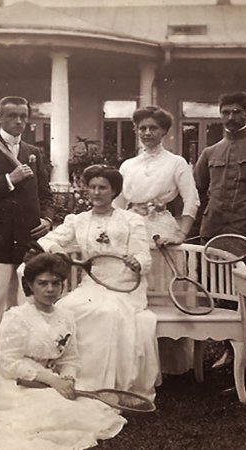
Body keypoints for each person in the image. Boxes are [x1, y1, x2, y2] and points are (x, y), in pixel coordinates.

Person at [0, 253, 126, 449]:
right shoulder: (16, 317)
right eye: (42, 283)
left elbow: (70, 358)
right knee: (54, 411)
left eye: (56, 283)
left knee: (80, 406)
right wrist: (52, 380)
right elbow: (8, 363)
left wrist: (68, 378)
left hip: (49, 379)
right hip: (12, 385)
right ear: (30, 285)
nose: (50, 289)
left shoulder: (67, 317)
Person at [38, 164, 160, 400]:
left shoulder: (131, 220)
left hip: (125, 286)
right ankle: (70, 377)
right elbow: (47, 240)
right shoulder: (78, 220)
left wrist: (136, 262)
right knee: (66, 308)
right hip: (92, 284)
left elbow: (144, 257)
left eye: (102, 187)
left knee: (106, 313)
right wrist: (57, 249)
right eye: (92, 187)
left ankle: (100, 385)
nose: (96, 192)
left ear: (114, 191)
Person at [0, 96, 54, 363]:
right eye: (12, 116)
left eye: (23, 116)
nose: (18, 121)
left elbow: (45, 194)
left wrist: (48, 219)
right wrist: (8, 180)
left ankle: (16, 368)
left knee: (23, 309)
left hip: (28, 244)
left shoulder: (32, 151)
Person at [113, 105, 200, 375]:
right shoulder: (128, 165)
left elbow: (192, 200)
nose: (147, 132)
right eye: (142, 128)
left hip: (162, 230)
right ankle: (135, 365)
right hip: (131, 228)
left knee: (163, 292)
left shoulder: (176, 162)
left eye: (153, 128)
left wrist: (181, 233)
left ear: (164, 131)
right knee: (131, 290)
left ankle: (169, 365)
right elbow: (118, 202)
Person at [194, 91, 246, 241]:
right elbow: (198, 191)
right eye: (225, 112)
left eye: (236, 112)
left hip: (245, 229)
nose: (231, 117)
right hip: (212, 229)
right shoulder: (209, 153)